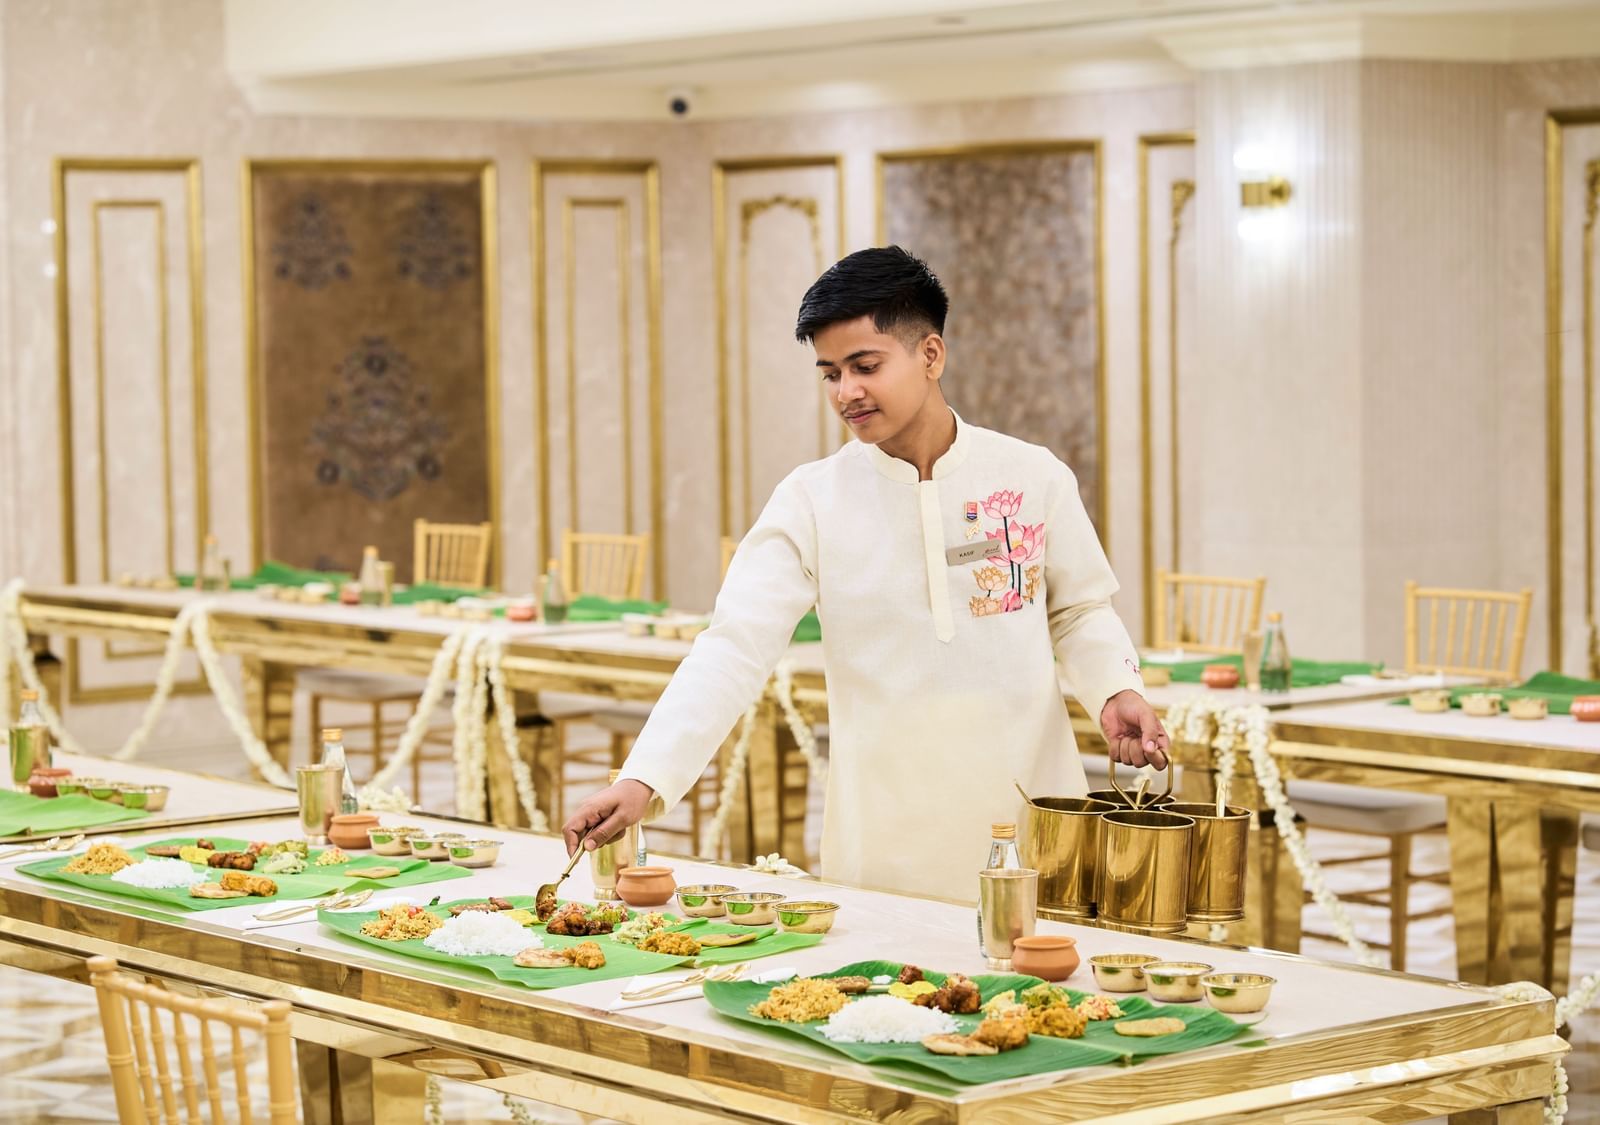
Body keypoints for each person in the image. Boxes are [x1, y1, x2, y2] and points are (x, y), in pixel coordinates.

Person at [561, 246, 1168, 899]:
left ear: (931, 355)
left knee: (1042, 998)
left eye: (865, 366)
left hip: (1033, 821)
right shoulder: (811, 500)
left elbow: (1078, 611)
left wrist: (1114, 688)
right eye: (829, 373)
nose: (846, 392)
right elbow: (733, 646)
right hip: (885, 839)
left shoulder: (1031, 475)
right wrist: (644, 777)